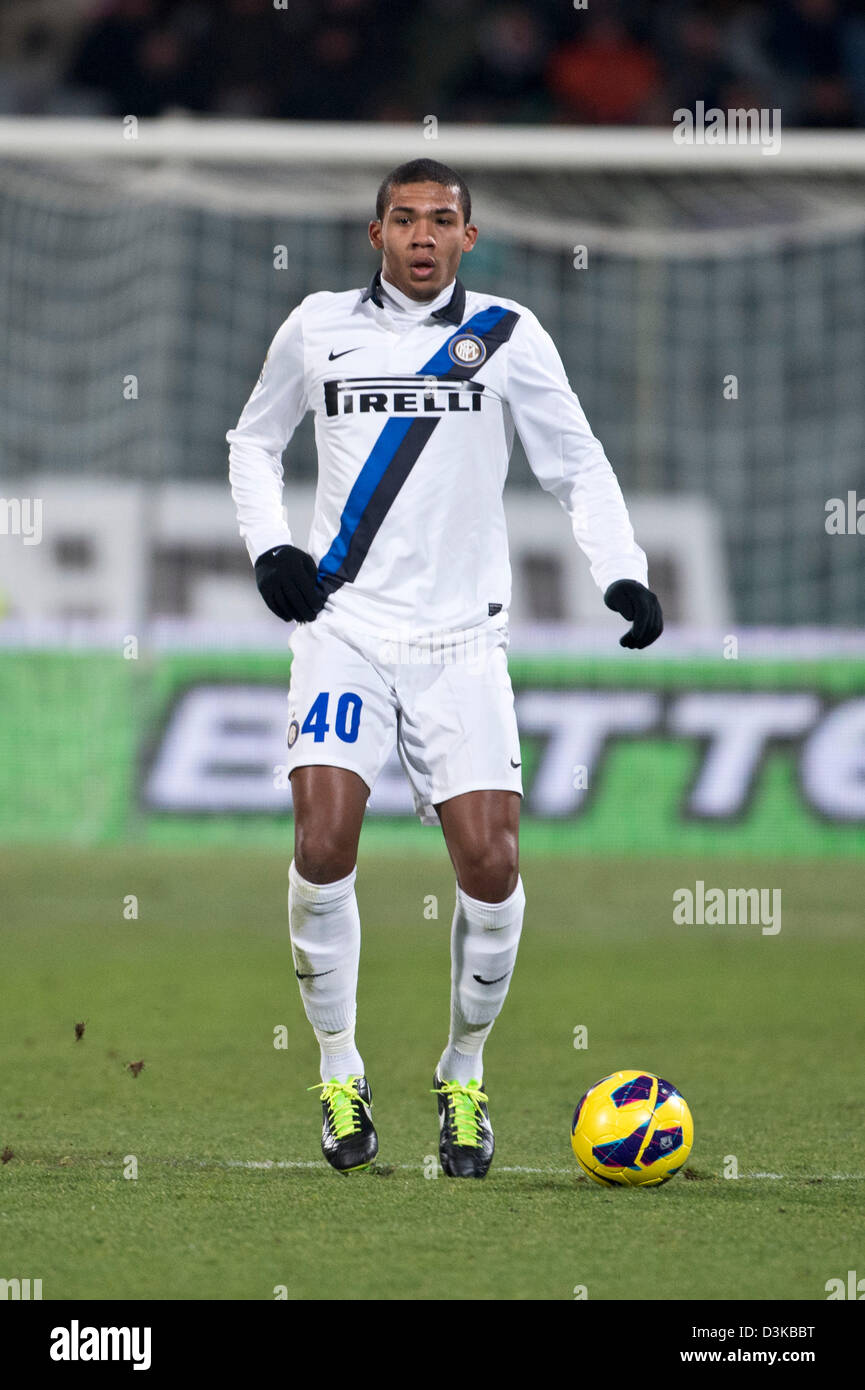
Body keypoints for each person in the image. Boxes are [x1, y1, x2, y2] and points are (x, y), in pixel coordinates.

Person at [227, 157, 662, 1179]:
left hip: (463, 642)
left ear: (469, 238)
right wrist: (269, 549)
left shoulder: (508, 336)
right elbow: (253, 442)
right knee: (324, 839)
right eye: (405, 219)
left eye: (443, 220)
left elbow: (577, 459)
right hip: (345, 631)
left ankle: (461, 1074)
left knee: (492, 863)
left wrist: (623, 572)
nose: (423, 235)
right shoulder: (316, 326)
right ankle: (339, 1069)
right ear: (373, 232)